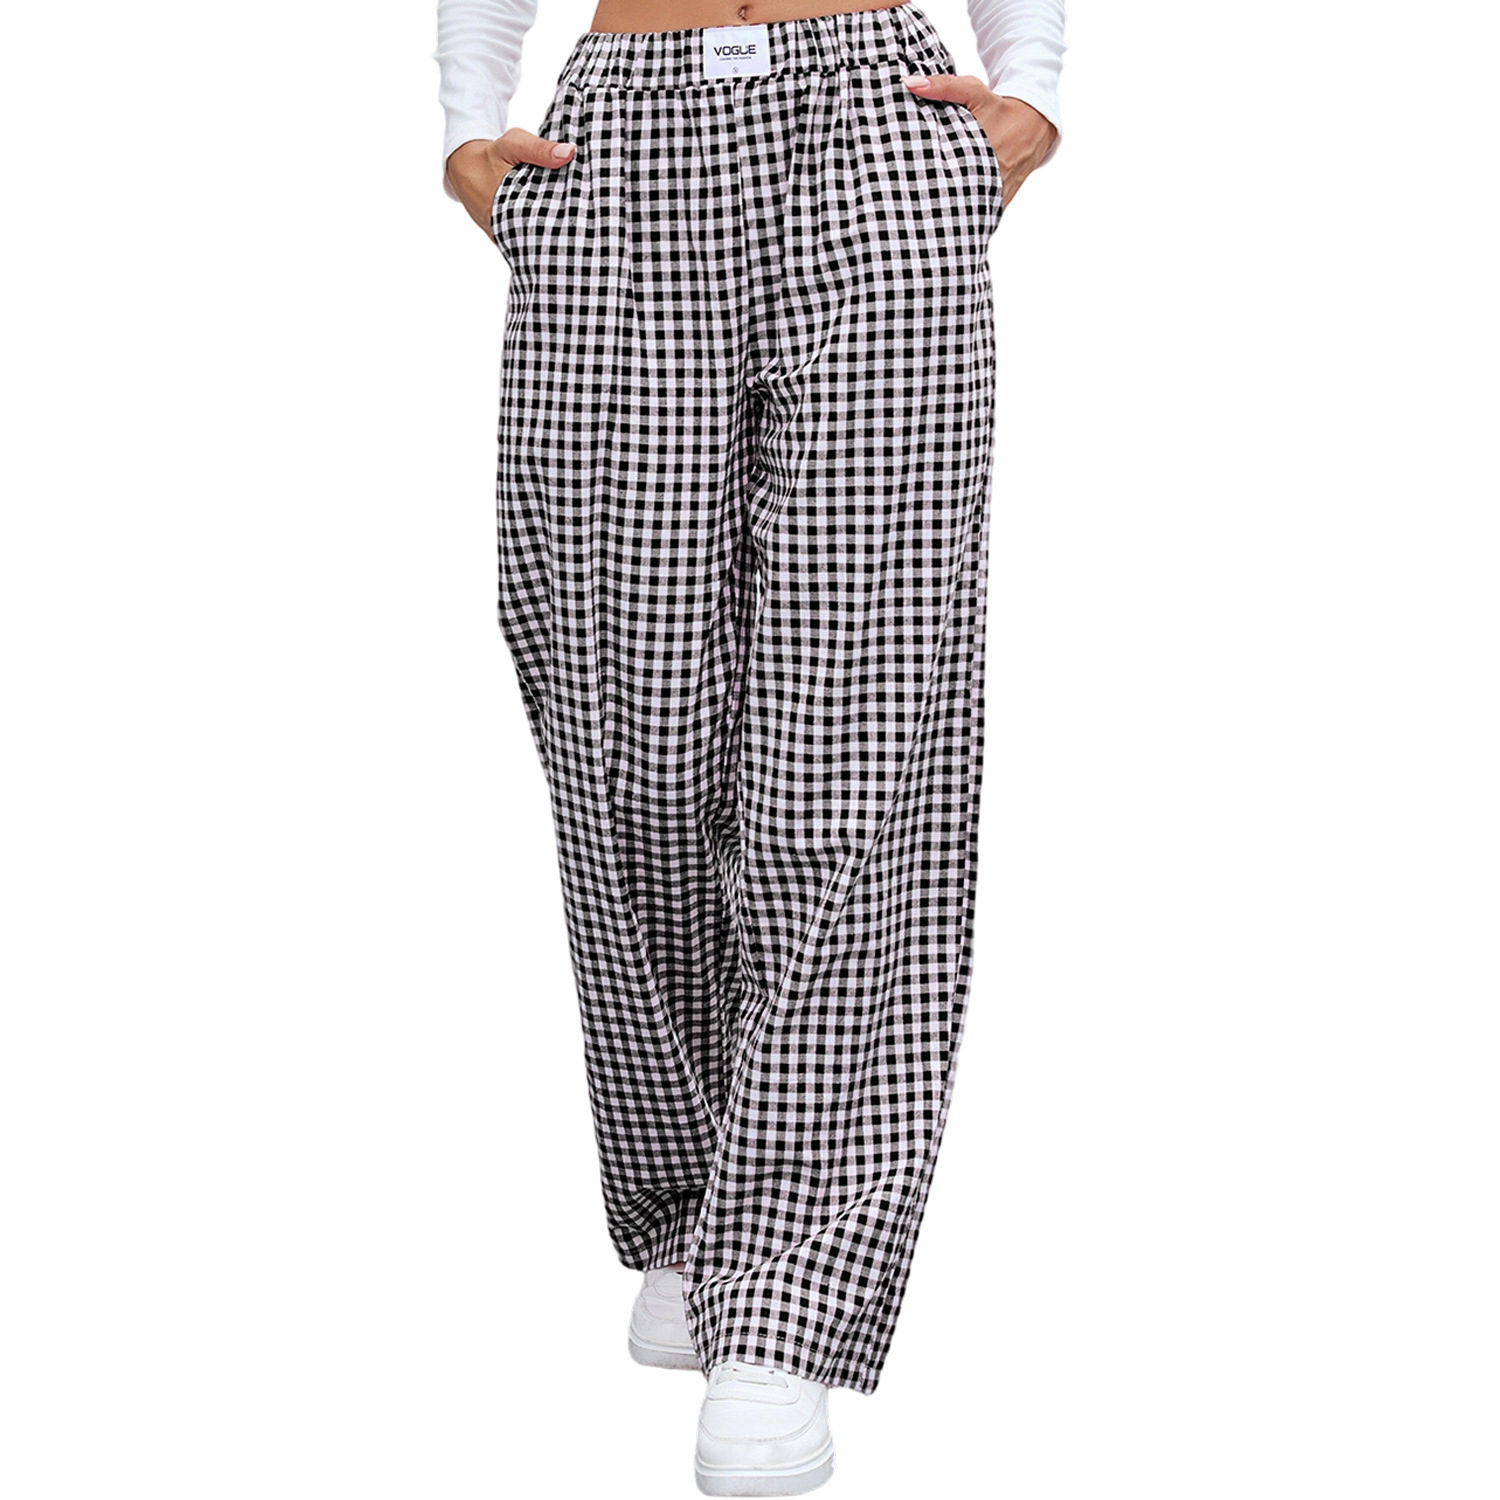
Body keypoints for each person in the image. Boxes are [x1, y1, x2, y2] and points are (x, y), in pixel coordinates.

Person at [434, 2, 1064, 1492]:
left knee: (855, 715)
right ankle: (692, 1199)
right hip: (618, 151)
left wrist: (1031, 91)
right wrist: (465, 125)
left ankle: (785, 1288)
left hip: (872, 126)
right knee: (617, 714)